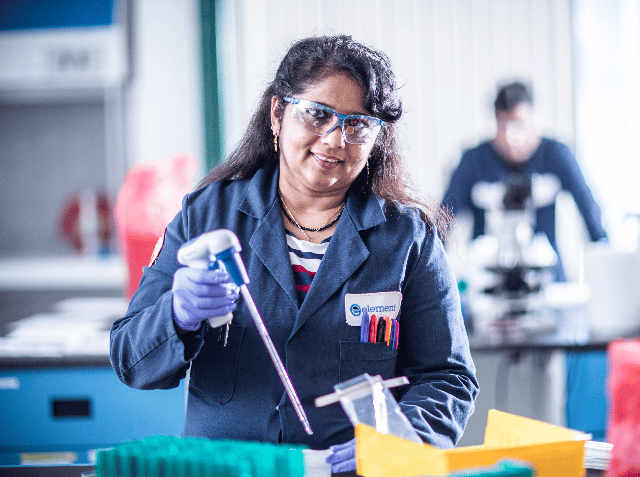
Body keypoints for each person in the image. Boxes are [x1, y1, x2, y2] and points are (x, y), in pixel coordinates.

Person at [110, 35, 478, 473]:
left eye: (358, 124)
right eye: (318, 114)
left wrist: (402, 445)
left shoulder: (408, 239)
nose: (335, 139)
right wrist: (177, 314)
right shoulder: (206, 216)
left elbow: (448, 377)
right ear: (278, 114)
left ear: (377, 138)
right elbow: (130, 359)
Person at [442, 81, 607, 281]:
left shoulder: (556, 155)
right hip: (488, 280)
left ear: (534, 118)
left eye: (520, 125)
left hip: (547, 276)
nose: (513, 138)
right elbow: (444, 218)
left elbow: (589, 209)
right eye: (504, 126)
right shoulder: (473, 160)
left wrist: (608, 266)